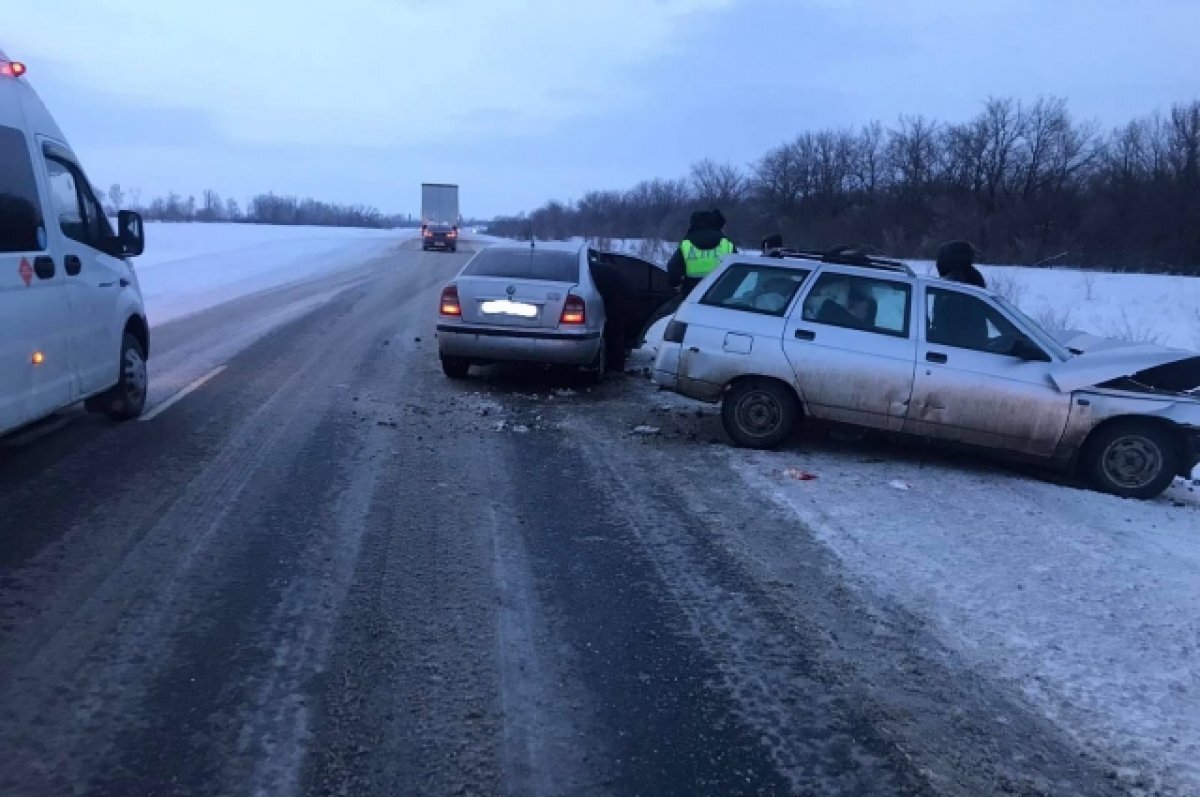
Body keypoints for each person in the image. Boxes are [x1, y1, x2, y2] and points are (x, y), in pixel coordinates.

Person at [666, 209, 737, 298]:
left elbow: (673, 268)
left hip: (692, 294)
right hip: (720, 295)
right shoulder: (726, 243)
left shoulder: (687, 243)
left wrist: (675, 285)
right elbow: (738, 270)